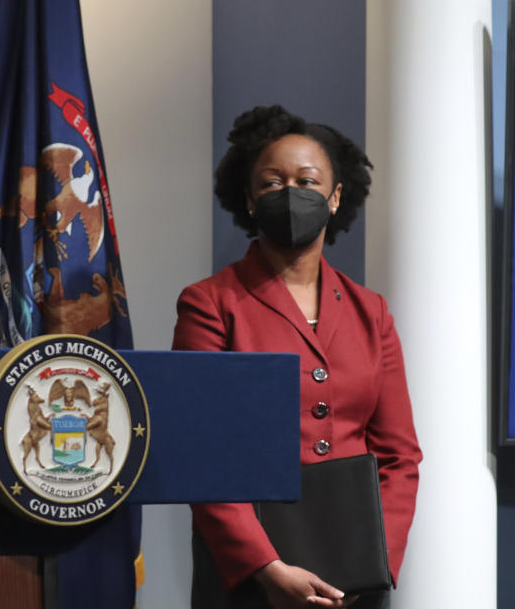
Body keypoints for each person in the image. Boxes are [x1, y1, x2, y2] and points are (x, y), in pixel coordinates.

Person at [172, 105, 422, 609]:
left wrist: (373, 564)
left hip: (354, 575)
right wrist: (266, 569)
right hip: (249, 577)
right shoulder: (209, 303)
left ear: (335, 198)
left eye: (308, 182)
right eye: (272, 182)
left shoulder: (370, 311)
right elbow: (200, 450)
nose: (290, 194)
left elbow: (400, 456)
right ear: (247, 199)